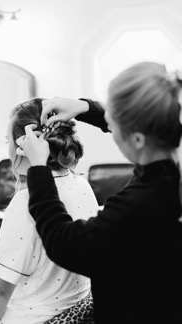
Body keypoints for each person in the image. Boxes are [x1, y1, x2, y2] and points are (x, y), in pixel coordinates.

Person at [16, 62, 182, 324]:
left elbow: (63, 243)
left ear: (138, 139)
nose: (110, 131)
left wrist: (39, 169)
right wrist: (85, 107)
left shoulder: (144, 202)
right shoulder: (169, 167)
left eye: (113, 126)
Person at [0, 98, 99, 324]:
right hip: (73, 311)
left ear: (23, 145)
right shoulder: (81, 185)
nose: (8, 150)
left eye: (8, 140)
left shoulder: (27, 201)